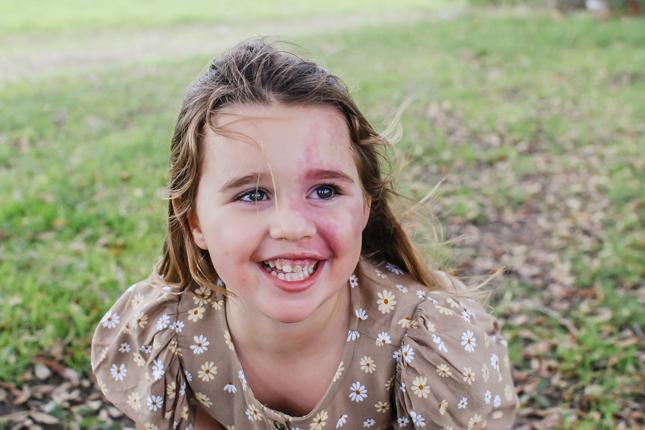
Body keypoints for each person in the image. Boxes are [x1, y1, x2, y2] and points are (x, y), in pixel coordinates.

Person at [90, 38, 519, 429]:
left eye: (325, 190)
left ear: (365, 206)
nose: (292, 227)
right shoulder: (172, 334)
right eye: (253, 193)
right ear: (195, 222)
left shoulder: (423, 344)